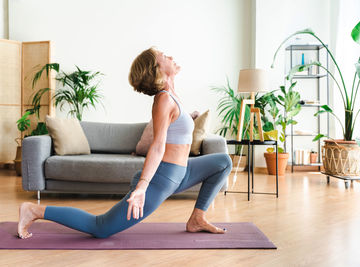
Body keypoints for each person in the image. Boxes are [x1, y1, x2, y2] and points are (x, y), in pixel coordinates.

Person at [17, 47, 232, 239]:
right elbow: (157, 146)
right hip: (163, 178)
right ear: (157, 68)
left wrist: (190, 118)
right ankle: (35, 211)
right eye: (164, 56)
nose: (171, 56)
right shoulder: (163, 99)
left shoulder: (172, 96)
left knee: (223, 162)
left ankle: (197, 219)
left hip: (182, 173)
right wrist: (142, 187)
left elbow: (175, 132)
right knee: (100, 227)